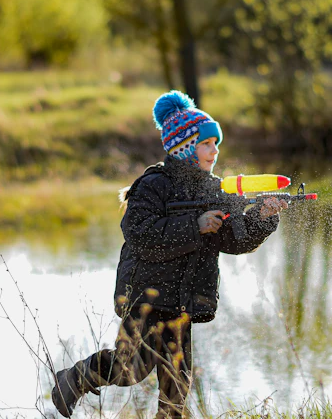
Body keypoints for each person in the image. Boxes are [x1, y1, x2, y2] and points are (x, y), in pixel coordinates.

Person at [51, 90, 287, 418]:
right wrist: (196, 225)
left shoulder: (215, 188)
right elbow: (139, 234)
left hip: (184, 299)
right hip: (148, 296)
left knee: (178, 383)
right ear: (185, 146)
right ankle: (74, 378)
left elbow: (234, 241)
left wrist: (262, 218)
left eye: (216, 144)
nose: (215, 151)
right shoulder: (153, 185)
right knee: (129, 369)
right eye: (207, 144)